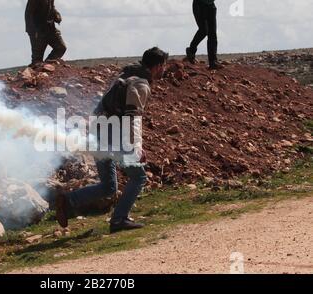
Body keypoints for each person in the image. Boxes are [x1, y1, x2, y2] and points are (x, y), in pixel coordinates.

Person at [55, 47, 169, 233]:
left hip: (98, 131)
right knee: (139, 177)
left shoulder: (126, 75)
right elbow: (133, 119)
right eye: (164, 66)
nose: (165, 70)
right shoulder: (140, 85)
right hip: (113, 135)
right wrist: (136, 148)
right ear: (157, 66)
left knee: (108, 186)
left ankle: (68, 200)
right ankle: (119, 220)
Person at [25, 0, 67, 67]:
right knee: (37, 61)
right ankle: (37, 73)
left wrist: (57, 15)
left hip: (50, 29)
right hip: (38, 32)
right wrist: (32, 31)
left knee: (61, 47)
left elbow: (51, 8)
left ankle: (46, 66)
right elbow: (28, 14)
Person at [185, 0, 223, 70]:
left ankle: (213, 62)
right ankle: (191, 50)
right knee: (204, 30)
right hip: (199, 4)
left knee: (212, 33)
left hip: (211, 5)